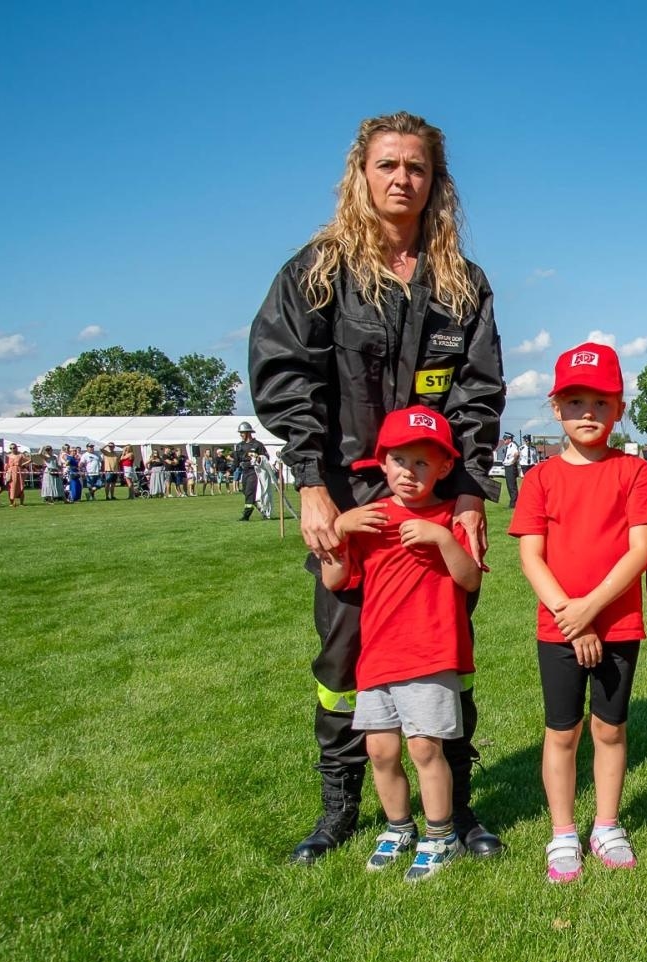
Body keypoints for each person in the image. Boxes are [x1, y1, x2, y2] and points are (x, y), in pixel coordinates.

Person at [249, 110, 507, 865]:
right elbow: (283, 375)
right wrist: (310, 485)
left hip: (437, 501)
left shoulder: (462, 285)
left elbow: (479, 393)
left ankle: (453, 807)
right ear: (361, 173)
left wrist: (467, 491)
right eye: (389, 165)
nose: (403, 179)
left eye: (417, 167)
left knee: (444, 656)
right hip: (352, 499)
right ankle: (340, 808)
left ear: (437, 182)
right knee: (342, 663)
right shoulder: (317, 271)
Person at [509, 343, 647, 884]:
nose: (588, 413)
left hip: (616, 624)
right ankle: (563, 832)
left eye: (600, 402)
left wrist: (591, 611)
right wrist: (567, 615)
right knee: (562, 731)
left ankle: (606, 824)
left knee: (610, 728)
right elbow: (531, 553)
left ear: (618, 407)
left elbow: (640, 550)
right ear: (556, 407)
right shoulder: (541, 478)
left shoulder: (634, 473)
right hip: (558, 629)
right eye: (575, 401)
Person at [320, 406, 481, 881]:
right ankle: (397, 827)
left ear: (444, 468)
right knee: (381, 752)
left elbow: (470, 580)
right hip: (378, 656)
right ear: (382, 462)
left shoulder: (452, 516)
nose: (409, 473)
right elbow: (335, 580)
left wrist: (442, 539)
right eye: (400, 461)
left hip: (431, 655)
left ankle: (441, 835)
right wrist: (339, 530)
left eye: (423, 463)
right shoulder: (368, 519)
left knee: (425, 750)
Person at [231, 428, 268, 518]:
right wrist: (230, 470)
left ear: (248, 433)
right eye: (240, 433)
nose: (241, 435)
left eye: (242, 433)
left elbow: (266, 457)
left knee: (249, 492)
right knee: (245, 492)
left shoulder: (258, 445)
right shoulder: (239, 445)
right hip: (245, 471)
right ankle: (263, 510)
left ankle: (246, 514)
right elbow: (236, 460)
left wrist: (258, 457)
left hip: (254, 471)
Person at [500, 431, 520, 507]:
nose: (504, 440)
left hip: (510, 467)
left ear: (510, 439)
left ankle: (514, 503)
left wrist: (513, 462)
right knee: (509, 485)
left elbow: (517, 454)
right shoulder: (508, 447)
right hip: (507, 467)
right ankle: (513, 502)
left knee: (512, 486)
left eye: (505, 439)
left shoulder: (513, 446)